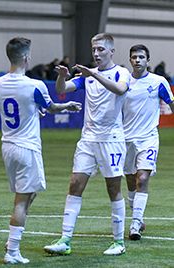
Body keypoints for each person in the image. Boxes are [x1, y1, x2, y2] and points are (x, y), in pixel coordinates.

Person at [0, 37, 82, 264]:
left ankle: (11, 242)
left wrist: (34, 111)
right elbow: (50, 107)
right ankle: (12, 251)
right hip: (27, 147)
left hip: (8, 146)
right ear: (26, 57)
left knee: (28, 194)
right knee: (21, 201)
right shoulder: (34, 85)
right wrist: (68, 106)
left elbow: (24, 107)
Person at [44, 33, 130, 256]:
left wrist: (93, 74)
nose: (96, 53)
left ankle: (119, 242)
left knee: (113, 188)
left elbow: (120, 89)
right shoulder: (87, 77)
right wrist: (62, 76)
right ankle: (65, 239)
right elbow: (62, 90)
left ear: (112, 51)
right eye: (94, 49)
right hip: (88, 140)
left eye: (101, 49)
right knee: (75, 184)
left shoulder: (121, 72)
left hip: (111, 139)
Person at [123, 44, 174, 240]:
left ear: (148, 60)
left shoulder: (158, 81)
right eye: (134, 57)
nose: (137, 60)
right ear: (130, 60)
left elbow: (171, 102)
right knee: (130, 179)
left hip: (148, 138)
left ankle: (135, 223)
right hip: (125, 139)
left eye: (141, 57)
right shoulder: (123, 81)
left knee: (142, 179)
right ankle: (137, 214)